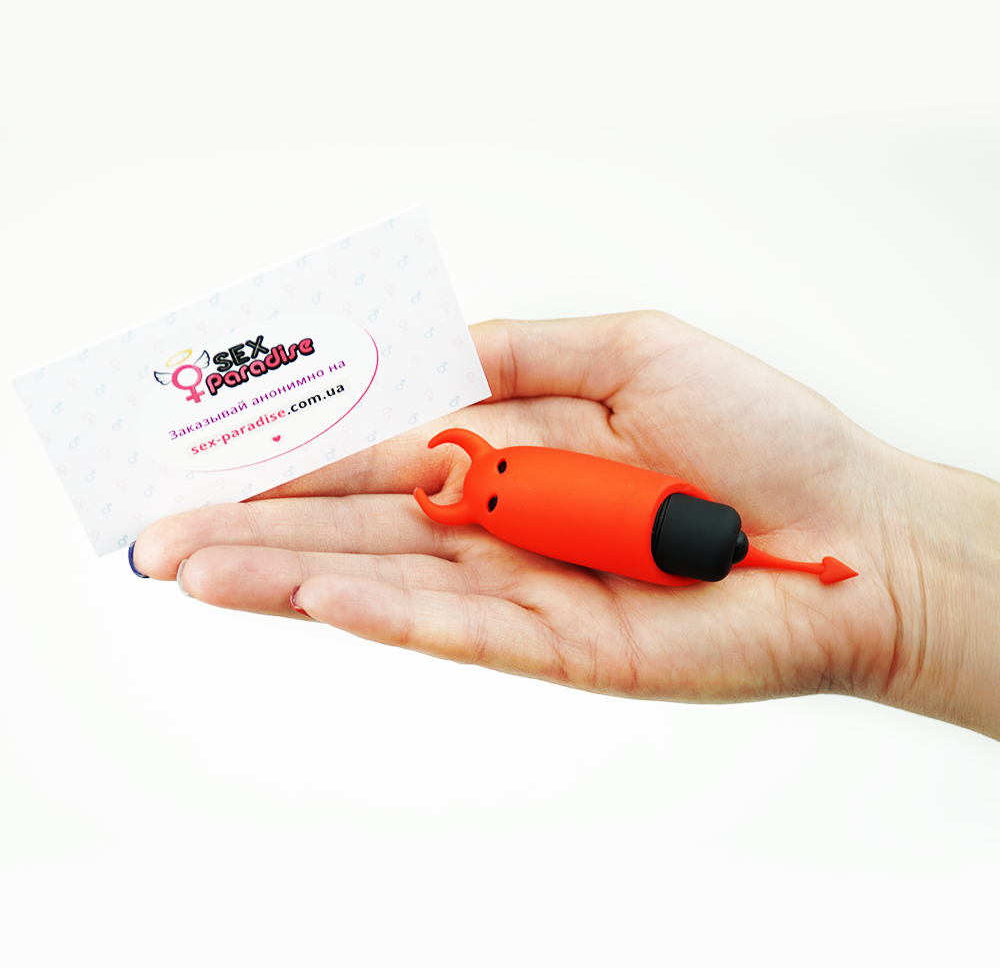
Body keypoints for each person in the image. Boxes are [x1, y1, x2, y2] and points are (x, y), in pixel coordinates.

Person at [130, 311, 1000, 739]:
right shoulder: (500, 495)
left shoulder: (514, 492)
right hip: (612, 522)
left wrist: (909, 578)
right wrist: (910, 588)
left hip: (635, 525)